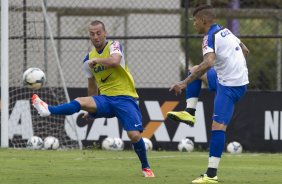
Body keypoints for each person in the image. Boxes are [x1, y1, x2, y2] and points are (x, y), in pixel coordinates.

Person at [32, 20, 155, 178]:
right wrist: (90, 109)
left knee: (135, 136)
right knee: (81, 101)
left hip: (126, 99)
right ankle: (48, 110)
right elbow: (92, 85)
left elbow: (115, 60)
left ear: (105, 33)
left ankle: (146, 167)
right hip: (105, 99)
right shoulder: (88, 59)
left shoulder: (114, 46)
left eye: (98, 33)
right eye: (92, 34)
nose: (96, 36)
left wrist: (97, 61)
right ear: (89, 36)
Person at [167, 5, 249, 183]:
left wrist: (183, 83)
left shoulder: (209, 37)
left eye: (195, 21)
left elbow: (209, 62)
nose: (194, 24)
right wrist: (234, 65)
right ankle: (189, 113)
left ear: (204, 21)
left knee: (218, 128)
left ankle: (211, 175)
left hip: (229, 87)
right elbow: (245, 50)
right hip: (232, 79)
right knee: (194, 69)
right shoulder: (225, 31)